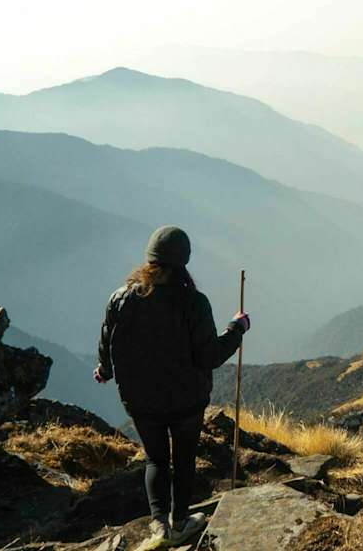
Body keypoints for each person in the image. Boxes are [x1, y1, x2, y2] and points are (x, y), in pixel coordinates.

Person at [94, 226, 250, 546]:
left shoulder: (121, 298)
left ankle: (158, 526)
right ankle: (180, 522)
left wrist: (106, 370)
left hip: (141, 400)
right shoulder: (193, 303)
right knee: (183, 459)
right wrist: (237, 328)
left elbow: (109, 342)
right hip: (186, 401)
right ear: (184, 260)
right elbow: (210, 356)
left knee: (155, 460)